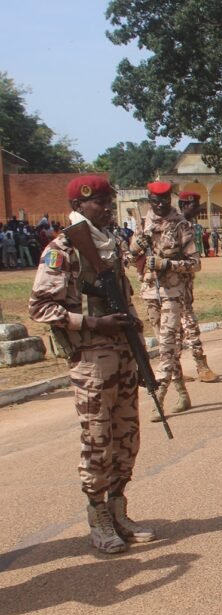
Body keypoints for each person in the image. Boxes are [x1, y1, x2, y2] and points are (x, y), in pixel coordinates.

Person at [28, 174, 155, 554]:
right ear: (79, 206)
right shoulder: (63, 249)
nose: (105, 209)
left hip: (122, 354)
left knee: (127, 438)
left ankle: (118, 509)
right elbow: (40, 307)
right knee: (98, 439)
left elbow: (124, 300)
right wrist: (91, 323)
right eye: (98, 203)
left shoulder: (110, 245)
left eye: (108, 202)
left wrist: (137, 345)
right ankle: (98, 515)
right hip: (91, 361)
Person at [126, 181, 200, 420]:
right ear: (149, 200)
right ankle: (182, 393)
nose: (160, 205)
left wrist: (167, 264)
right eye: (155, 201)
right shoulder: (142, 224)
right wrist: (136, 247)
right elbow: (128, 258)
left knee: (167, 344)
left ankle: (159, 395)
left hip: (173, 292)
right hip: (150, 292)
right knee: (165, 344)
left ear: (170, 199)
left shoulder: (181, 225)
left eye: (164, 201)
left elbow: (195, 264)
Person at [175, 191, 220, 383]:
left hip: (186, 283)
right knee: (185, 324)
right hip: (172, 284)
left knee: (181, 324)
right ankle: (199, 365)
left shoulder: (190, 226)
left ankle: (182, 368)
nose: (197, 210)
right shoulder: (173, 225)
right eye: (194, 206)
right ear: (183, 205)